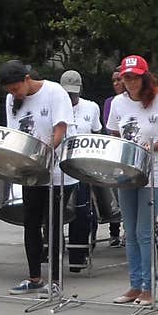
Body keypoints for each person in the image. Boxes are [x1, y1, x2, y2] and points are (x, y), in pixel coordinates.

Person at [106, 55, 158, 306]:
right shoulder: (118, 103)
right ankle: (135, 285)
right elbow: (114, 134)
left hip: (152, 175)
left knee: (144, 232)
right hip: (127, 174)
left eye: (135, 77)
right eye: (126, 77)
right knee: (131, 232)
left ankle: (149, 287)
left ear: (144, 77)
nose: (130, 82)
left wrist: (153, 147)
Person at [0, 61, 75, 300]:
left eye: (16, 89)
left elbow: (60, 132)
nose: (14, 94)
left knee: (51, 224)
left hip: (54, 170)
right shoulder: (12, 100)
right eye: (9, 91)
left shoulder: (54, 92)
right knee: (30, 222)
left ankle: (55, 280)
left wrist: (41, 156)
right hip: (30, 172)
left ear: (27, 78)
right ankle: (34, 278)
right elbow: (16, 135)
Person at [60, 69, 102, 272]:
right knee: (54, 212)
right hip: (58, 166)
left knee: (82, 212)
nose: (70, 97)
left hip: (82, 168)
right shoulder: (55, 107)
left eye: (74, 93)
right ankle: (52, 251)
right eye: (67, 93)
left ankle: (77, 257)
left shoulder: (91, 107)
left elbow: (97, 134)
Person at [102, 69, 125, 248]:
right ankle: (114, 232)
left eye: (119, 79)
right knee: (114, 191)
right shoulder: (111, 102)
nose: (116, 83)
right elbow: (110, 129)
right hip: (116, 153)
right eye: (113, 80)